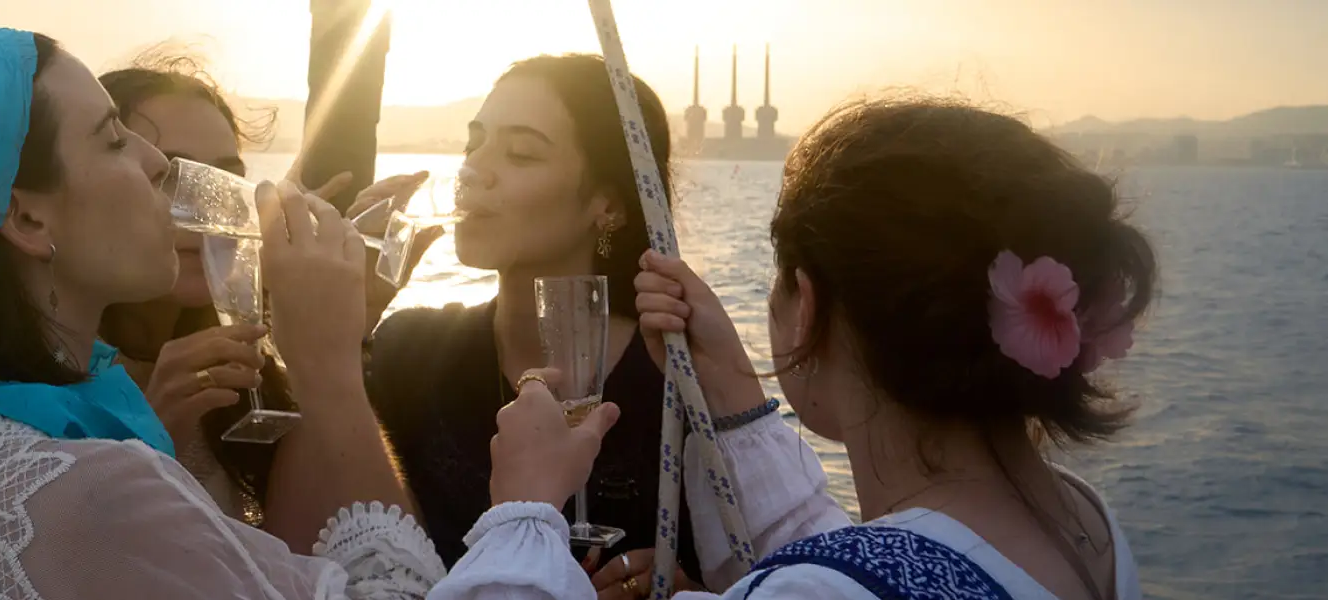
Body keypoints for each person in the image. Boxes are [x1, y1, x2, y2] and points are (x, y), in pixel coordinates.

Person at [0, 29, 575, 598]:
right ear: (25, 219)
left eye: (228, 173)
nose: (167, 175)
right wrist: (526, 510)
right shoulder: (94, 483)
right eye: (115, 140)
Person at [432, 97, 1153, 599]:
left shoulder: (829, 586)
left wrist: (524, 511)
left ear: (804, 307)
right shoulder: (1081, 525)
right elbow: (875, 565)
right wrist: (738, 401)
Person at [366, 53, 707, 592]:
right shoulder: (406, 352)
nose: (474, 171)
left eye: (521, 153)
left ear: (609, 206)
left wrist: (691, 590)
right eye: (473, 143)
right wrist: (351, 317)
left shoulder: (679, 378)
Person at [94, 51, 431, 548]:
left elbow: (326, 557)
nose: (208, 209)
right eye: (168, 177)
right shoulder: (33, 398)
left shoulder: (251, 370)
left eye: (225, 179)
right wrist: (148, 442)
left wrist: (338, 335)